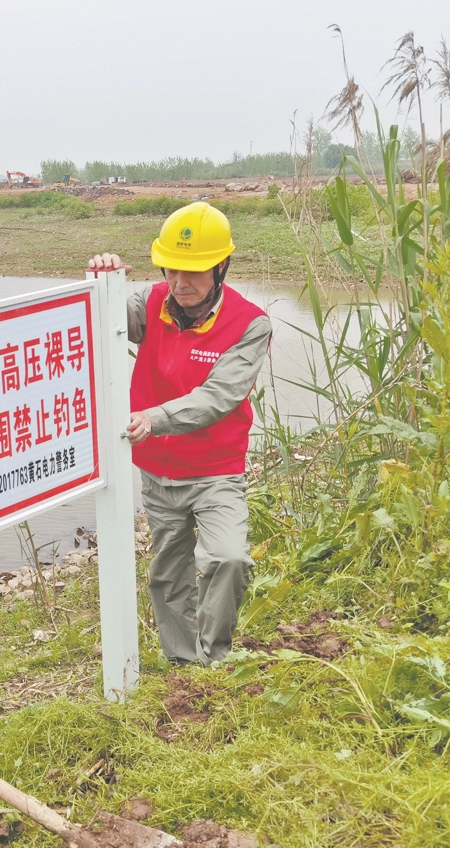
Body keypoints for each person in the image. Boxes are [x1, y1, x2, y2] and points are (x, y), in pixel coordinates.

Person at [88, 202, 272, 665]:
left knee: (227, 558)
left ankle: (214, 657)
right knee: (169, 576)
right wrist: (102, 278)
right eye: (171, 270)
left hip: (215, 472)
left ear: (222, 267)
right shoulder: (150, 304)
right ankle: (183, 665)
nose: (180, 284)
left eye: (194, 273)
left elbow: (219, 395)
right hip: (158, 473)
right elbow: (100, 317)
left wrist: (155, 418)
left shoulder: (250, 324)